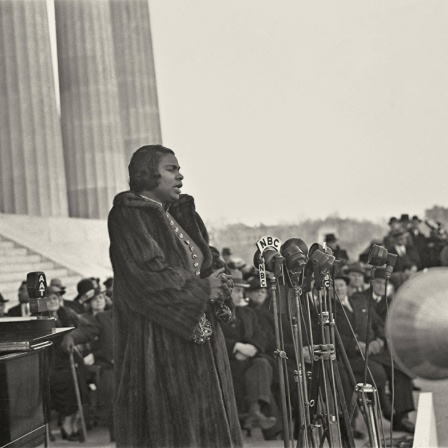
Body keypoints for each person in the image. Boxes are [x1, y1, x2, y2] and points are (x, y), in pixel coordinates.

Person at [107, 145, 242, 447]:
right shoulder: (129, 215)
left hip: (201, 344)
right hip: (161, 347)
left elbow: (207, 262)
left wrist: (219, 281)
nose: (180, 176)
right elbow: (146, 275)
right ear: (147, 173)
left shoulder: (177, 214)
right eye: (171, 169)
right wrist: (202, 289)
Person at [334, 276, 415, 434]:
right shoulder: (330, 309)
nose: (339, 289)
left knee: (400, 369)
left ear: (347, 287)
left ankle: (401, 417)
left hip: (373, 350)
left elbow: (378, 324)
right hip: (351, 355)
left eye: (342, 285)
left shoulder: (360, 303)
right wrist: (356, 346)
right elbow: (333, 335)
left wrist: (380, 340)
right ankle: (386, 410)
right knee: (377, 372)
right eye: (335, 286)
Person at [219, 271, 277, 432]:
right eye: (237, 291)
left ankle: (254, 410)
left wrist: (252, 348)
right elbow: (216, 337)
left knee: (263, 363)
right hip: (227, 359)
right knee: (253, 368)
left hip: (249, 358)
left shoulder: (247, 312)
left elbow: (261, 336)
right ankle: (255, 415)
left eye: (242, 291)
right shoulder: (218, 313)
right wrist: (236, 347)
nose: (241, 295)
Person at [46, 284, 86, 441]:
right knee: (63, 387)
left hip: (69, 360)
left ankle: (71, 426)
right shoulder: (40, 318)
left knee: (79, 387)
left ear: (60, 299)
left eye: (55, 298)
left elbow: (81, 329)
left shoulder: (67, 314)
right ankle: (66, 427)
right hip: (52, 363)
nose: (52, 301)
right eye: (48, 299)